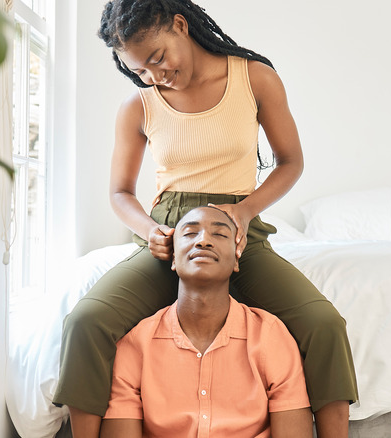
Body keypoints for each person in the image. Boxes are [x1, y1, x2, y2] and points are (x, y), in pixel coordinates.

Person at [52, 1, 358, 437]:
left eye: (157, 58)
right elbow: (120, 193)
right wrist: (149, 231)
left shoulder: (254, 78)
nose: (155, 76)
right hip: (170, 233)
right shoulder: (138, 106)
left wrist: (244, 212)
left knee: (324, 324)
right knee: (85, 322)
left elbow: (290, 162)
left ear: (180, 25)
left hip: (239, 231)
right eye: (139, 70)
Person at [100, 206, 313, 437]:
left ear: (236, 259)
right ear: (173, 259)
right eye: (190, 233)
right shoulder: (136, 345)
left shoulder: (271, 337)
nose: (203, 241)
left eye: (220, 234)